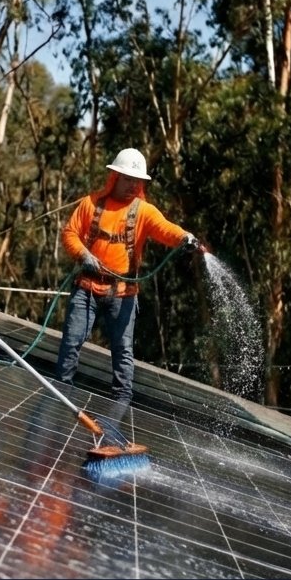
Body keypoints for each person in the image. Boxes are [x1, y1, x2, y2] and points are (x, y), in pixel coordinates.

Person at [56, 148, 200, 403]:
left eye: (137, 180)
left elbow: (166, 229)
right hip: (87, 286)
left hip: (123, 293)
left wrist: (184, 237)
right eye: (127, 179)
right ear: (114, 177)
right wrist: (83, 255)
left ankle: (122, 403)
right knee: (72, 340)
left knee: (122, 351)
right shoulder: (91, 203)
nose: (132, 185)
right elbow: (70, 233)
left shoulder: (143, 211)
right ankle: (61, 393)